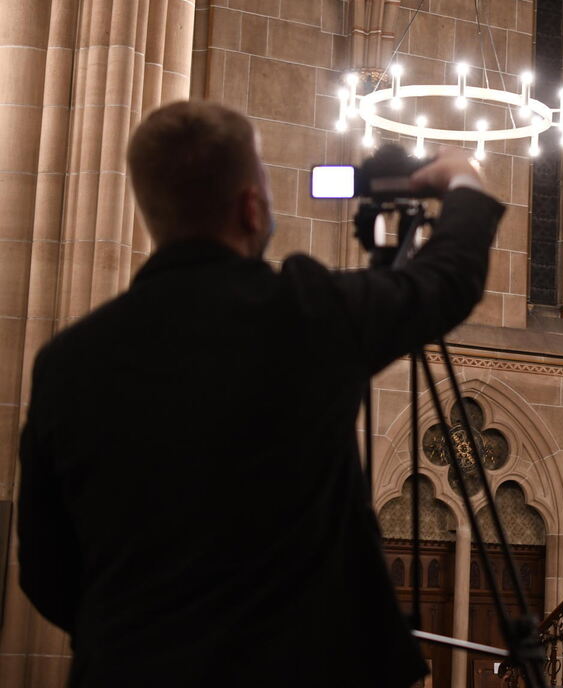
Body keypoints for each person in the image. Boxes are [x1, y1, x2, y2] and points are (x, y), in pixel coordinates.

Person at [17, 101, 504, 687]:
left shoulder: (66, 362)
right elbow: (445, 281)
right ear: (250, 207)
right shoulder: (303, 311)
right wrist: (463, 180)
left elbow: (44, 570)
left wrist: (136, 635)